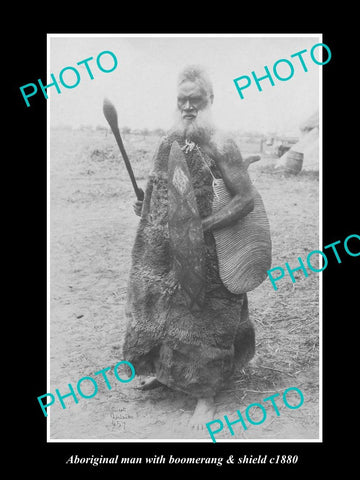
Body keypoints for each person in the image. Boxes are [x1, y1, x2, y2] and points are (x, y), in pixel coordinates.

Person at [123, 65, 257, 429]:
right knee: (160, 312)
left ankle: (205, 394)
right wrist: (145, 206)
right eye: (181, 100)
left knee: (203, 320)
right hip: (162, 251)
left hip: (207, 255)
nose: (187, 107)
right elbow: (161, 191)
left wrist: (203, 228)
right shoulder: (169, 140)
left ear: (210, 101)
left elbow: (245, 198)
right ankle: (164, 373)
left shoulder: (221, 143)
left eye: (194, 100)